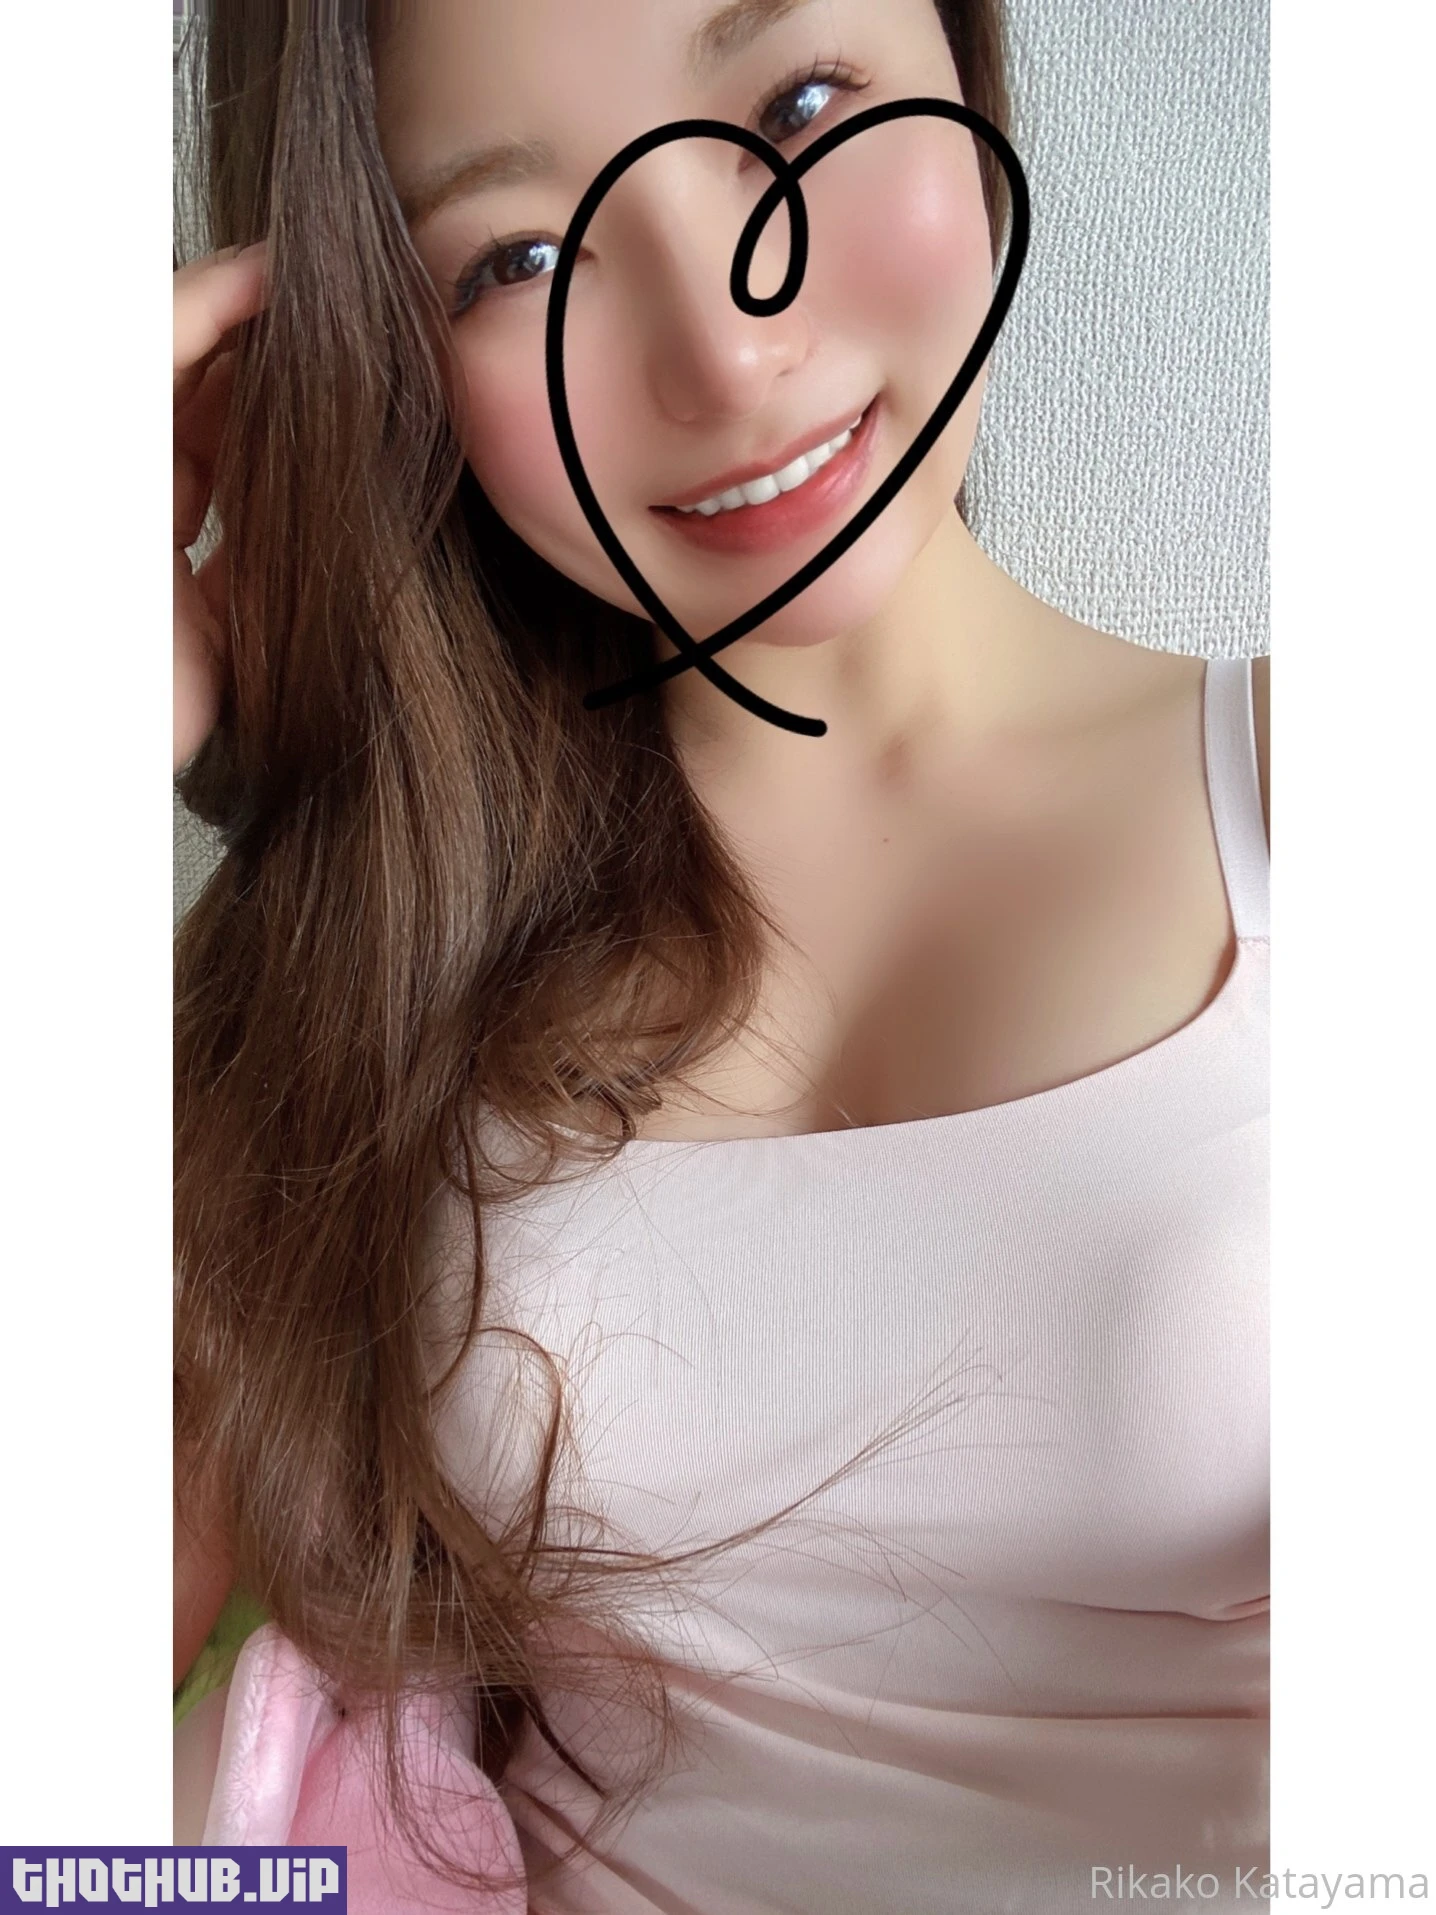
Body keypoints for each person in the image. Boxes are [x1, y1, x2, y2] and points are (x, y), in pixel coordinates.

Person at [173, 0, 1270, 1907]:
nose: (725, 353)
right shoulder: (348, 954)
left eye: (802, 105)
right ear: (380, 357)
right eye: (519, 259)